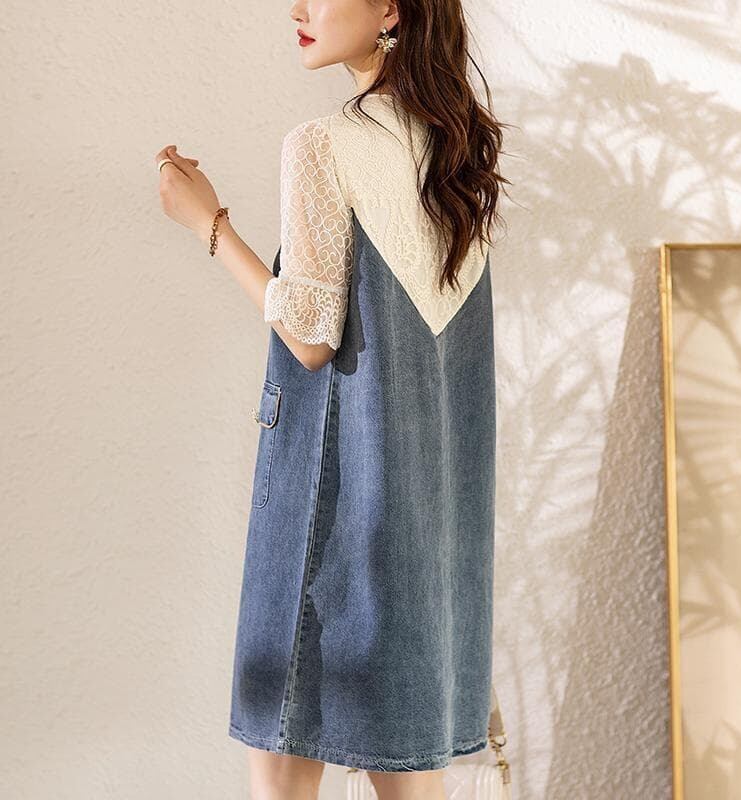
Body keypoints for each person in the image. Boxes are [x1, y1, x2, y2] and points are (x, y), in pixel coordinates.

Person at [155, 1, 509, 798]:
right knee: (411, 779)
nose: (298, 8)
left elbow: (311, 337)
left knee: (282, 765)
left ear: (390, 8)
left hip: (329, 500)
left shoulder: (325, 143)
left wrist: (208, 223)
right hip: (428, 528)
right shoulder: (457, 151)